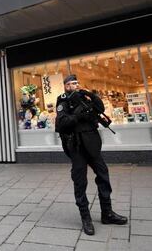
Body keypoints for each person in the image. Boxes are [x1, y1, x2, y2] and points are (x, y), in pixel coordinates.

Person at [55, 74, 127, 235]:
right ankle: (85, 218)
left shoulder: (84, 98)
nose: (76, 85)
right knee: (80, 182)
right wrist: (78, 116)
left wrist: (91, 95)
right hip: (77, 146)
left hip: (93, 145)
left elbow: (100, 109)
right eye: (73, 83)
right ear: (66, 86)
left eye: (77, 82)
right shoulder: (63, 101)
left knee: (103, 175)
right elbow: (62, 122)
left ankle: (107, 213)